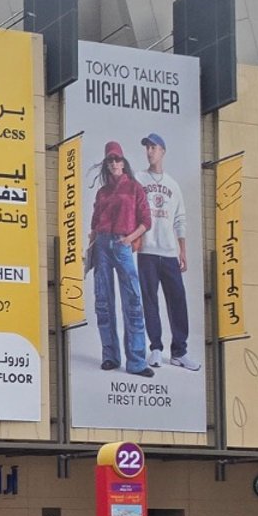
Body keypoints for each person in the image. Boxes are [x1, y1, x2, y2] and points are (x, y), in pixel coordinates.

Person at [89, 141, 154, 378]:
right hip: (102, 246)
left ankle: (136, 361)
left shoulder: (135, 188)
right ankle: (110, 355)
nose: (115, 163)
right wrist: (90, 249)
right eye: (110, 160)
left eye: (118, 159)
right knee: (103, 302)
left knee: (133, 301)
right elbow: (95, 223)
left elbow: (146, 221)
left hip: (122, 244)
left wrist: (130, 239)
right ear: (106, 164)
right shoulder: (102, 192)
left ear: (123, 162)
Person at [136, 132, 197, 371]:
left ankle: (179, 352)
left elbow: (180, 218)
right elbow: (131, 209)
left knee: (177, 301)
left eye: (154, 147)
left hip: (169, 252)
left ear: (162, 151)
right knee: (150, 300)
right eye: (147, 148)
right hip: (147, 252)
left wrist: (183, 250)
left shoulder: (173, 185)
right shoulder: (138, 179)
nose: (149, 151)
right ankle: (156, 348)